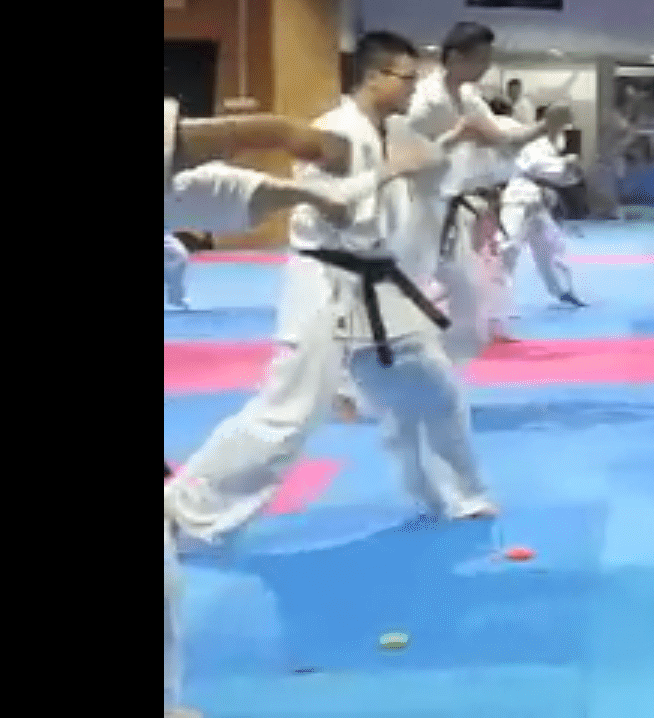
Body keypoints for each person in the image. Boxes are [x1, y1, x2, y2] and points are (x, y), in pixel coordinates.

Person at [165, 35, 499, 714]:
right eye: (404, 77)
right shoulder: (334, 132)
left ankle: (455, 494)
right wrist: (379, 171)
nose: (412, 87)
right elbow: (337, 201)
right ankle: (194, 512)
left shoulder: (392, 130)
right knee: (289, 413)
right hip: (324, 282)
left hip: (378, 287)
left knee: (433, 389)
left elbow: (424, 166)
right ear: (374, 76)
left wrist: (433, 150)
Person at [407, 23, 564, 371]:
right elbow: (401, 157)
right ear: (454, 57)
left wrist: (545, 126)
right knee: (414, 287)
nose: (486, 67)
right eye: (480, 59)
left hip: (448, 205)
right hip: (413, 206)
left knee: (466, 290)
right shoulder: (423, 101)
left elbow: (503, 140)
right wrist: (455, 136)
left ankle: (443, 365)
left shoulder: (467, 97)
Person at [500, 104, 586, 310]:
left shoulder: (559, 142)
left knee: (551, 245)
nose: (568, 125)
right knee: (509, 247)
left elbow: (564, 177)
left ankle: (563, 290)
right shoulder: (533, 141)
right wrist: (566, 164)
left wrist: (572, 170)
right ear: (552, 121)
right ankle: (499, 301)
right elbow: (537, 167)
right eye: (564, 119)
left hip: (537, 201)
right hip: (518, 198)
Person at [164, 230, 193, 310]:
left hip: (177, 261)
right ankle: (177, 300)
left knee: (175, 282)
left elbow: (182, 256)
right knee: (174, 283)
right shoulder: (171, 240)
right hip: (175, 260)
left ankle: (179, 300)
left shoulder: (169, 243)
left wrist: (171, 266)